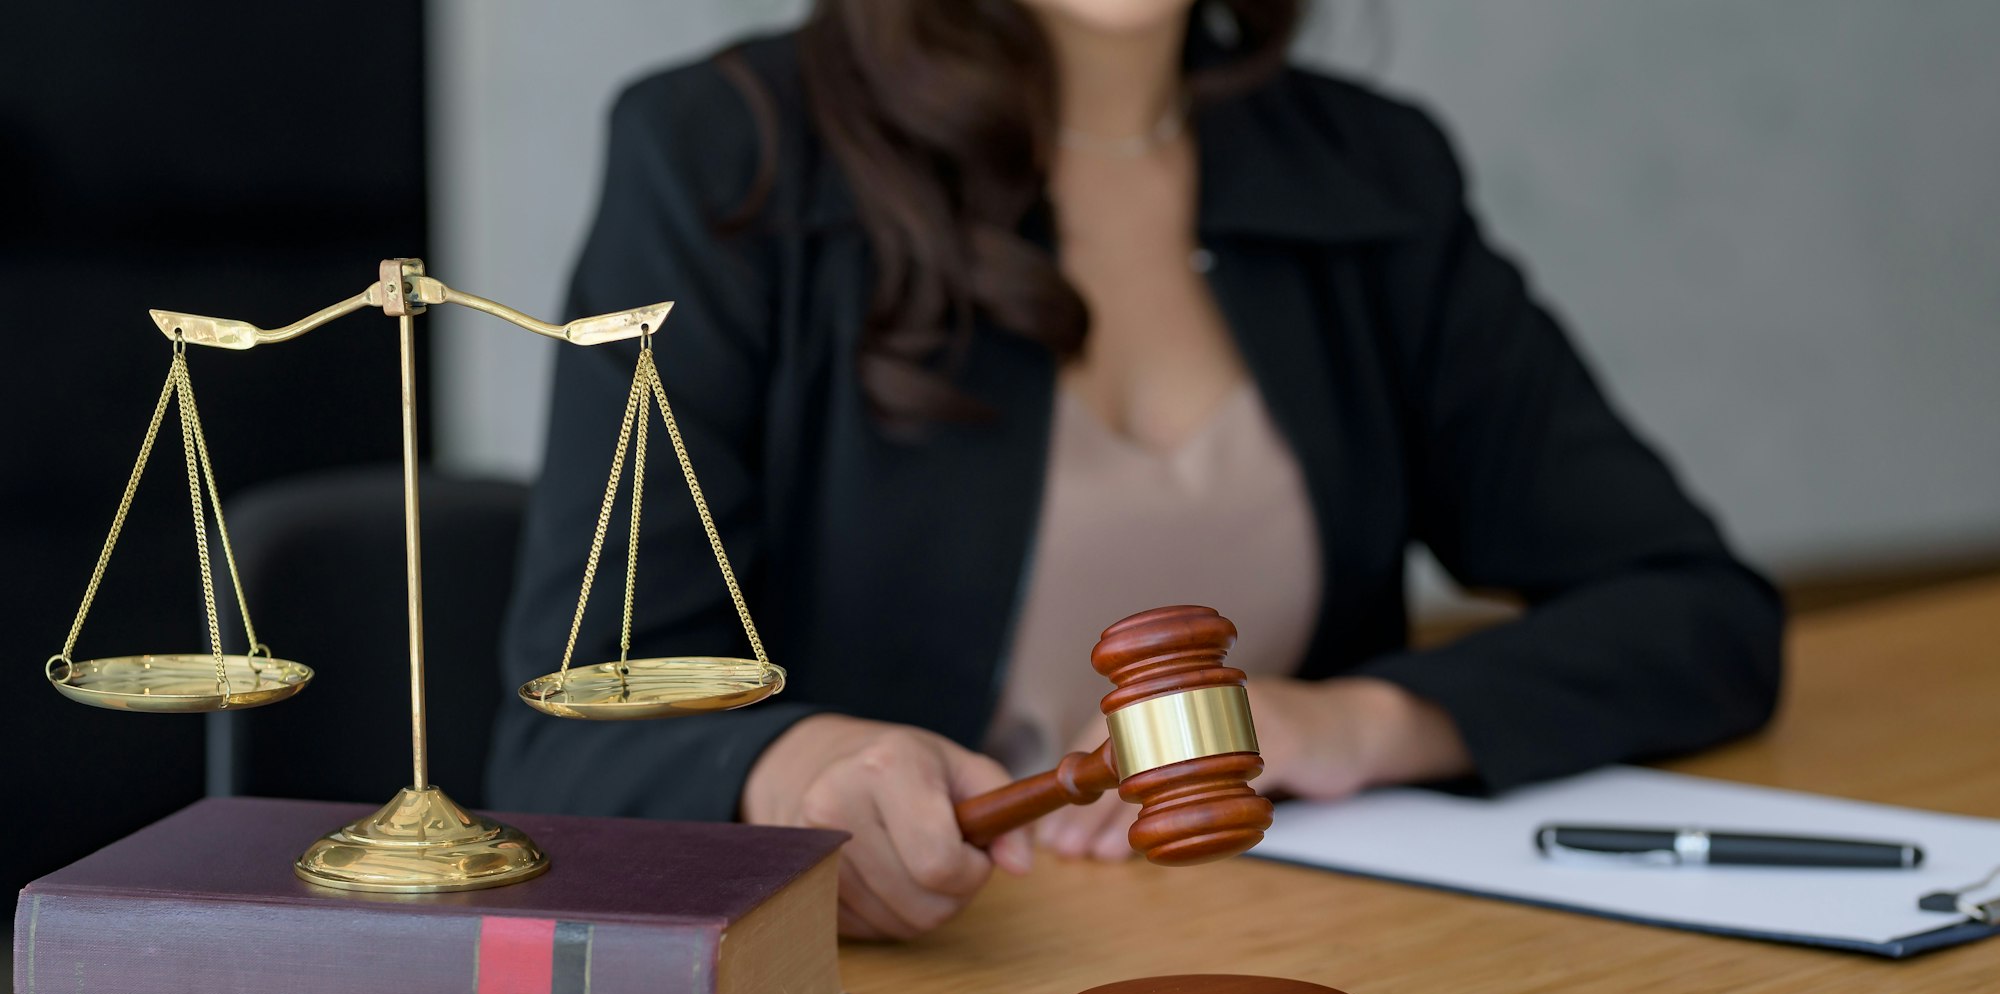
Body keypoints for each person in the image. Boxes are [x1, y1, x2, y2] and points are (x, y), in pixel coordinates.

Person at [489, 0, 1783, 940]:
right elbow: (558, 747)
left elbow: (1697, 613)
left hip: (1304, 968)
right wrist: (790, 768)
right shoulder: (726, 154)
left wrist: (1349, 723)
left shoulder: (1365, 172)